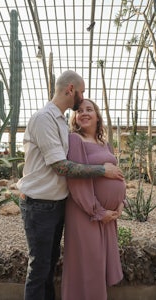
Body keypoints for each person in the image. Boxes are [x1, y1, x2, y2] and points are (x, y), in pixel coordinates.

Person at [17, 70, 124, 300]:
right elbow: (62, 167)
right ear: (71, 90)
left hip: (55, 204)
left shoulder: (60, 121)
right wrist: (103, 171)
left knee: (48, 264)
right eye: (82, 92)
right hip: (39, 204)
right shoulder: (44, 118)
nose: (83, 98)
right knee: (39, 269)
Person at [61, 99, 126, 300]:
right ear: (75, 117)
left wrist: (121, 203)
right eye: (79, 111)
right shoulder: (75, 139)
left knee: (100, 263)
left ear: (97, 116)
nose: (84, 113)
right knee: (90, 263)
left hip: (108, 216)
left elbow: (117, 174)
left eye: (89, 109)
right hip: (86, 212)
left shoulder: (105, 143)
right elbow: (76, 182)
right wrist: (98, 211)